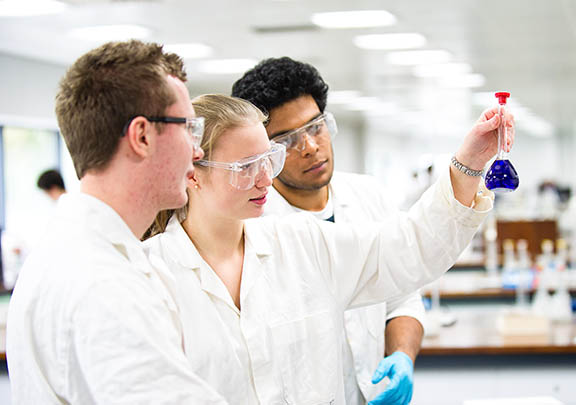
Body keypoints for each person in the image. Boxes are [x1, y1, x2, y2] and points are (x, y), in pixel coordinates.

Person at [143, 94, 513, 404]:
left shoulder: (303, 244)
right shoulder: (150, 276)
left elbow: (410, 248)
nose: (264, 179)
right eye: (245, 167)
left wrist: (469, 163)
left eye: (268, 161)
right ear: (192, 174)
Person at [6, 40, 230, 404]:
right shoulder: (101, 283)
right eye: (189, 127)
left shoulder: (79, 252)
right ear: (141, 136)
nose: (198, 149)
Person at [232, 57, 424, 405]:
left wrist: (402, 357)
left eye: (316, 127)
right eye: (286, 141)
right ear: (263, 152)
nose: (309, 147)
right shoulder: (249, 228)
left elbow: (403, 295)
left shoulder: (370, 196)